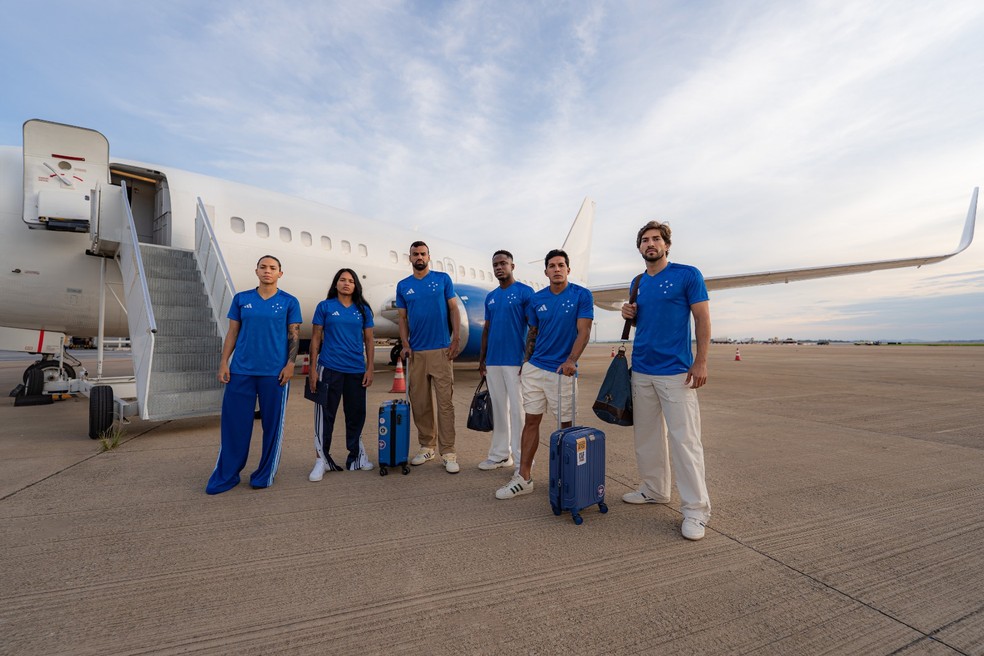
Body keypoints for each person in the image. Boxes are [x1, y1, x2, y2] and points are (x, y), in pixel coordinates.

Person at [620, 220, 712, 541]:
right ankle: (654, 489)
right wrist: (628, 313)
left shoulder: (688, 275)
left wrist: (700, 361)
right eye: (645, 240)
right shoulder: (638, 282)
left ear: (667, 245)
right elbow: (645, 319)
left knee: (685, 441)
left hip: (676, 371)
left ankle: (696, 510)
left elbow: (701, 318)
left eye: (656, 239)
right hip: (642, 369)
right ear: (640, 247)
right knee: (647, 438)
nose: (650, 244)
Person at [495, 249, 593, 499]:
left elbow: (584, 331)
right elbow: (533, 333)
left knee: (565, 427)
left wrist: (571, 360)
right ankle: (524, 477)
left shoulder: (582, 295)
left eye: (561, 265)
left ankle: (566, 476)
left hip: (563, 372)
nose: (557, 269)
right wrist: (526, 362)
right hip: (535, 369)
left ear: (568, 270)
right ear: (546, 271)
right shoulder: (537, 300)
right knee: (531, 422)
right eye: (552, 265)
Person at [206, 255, 302, 494]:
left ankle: (264, 473)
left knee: (272, 426)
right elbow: (232, 334)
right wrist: (223, 363)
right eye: (263, 267)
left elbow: (294, 335)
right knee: (234, 425)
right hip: (241, 371)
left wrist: (291, 364)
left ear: (280, 273)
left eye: (273, 268)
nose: (267, 271)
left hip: (274, 373)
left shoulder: (289, 301)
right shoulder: (242, 299)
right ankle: (227, 474)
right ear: (256, 271)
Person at [396, 241, 462, 473]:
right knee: (420, 403)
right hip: (417, 353)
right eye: (415, 254)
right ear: (410, 258)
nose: (419, 257)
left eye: (423, 253)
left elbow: (454, 309)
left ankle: (448, 451)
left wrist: (455, 339)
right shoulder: (404, 286)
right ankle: (427, 446)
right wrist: (405, 344)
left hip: (441, 351)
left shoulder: (442, 279)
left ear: (429, 256)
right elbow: (402, 319)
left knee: (445, 404)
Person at [307, 268, 375, 481]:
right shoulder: (325, 307)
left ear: (356, 286)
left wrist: (370, 367)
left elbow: (370, 341)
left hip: (356, 370)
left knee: (356, 414)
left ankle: (357, 457)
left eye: (351, 281)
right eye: (342, 280)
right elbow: (316, 339)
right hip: (329, 369)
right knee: (325, 416)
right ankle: (321, 460)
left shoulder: (363, 310)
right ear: (336, 284)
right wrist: (312, 369)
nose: (346, 283)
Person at [478, 250, 534, 472]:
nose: (499, 267)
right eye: (495, 265)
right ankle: (500, 455)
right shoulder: (490, 297)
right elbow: (487, 330)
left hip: (516, 361)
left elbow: (533, 328)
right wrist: (482, 360)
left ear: (512, 266)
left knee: (518, 411)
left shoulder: (525, 292)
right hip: (493, 362)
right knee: (499, 409)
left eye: (503, 263)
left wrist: (528, 359)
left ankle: (522, 460)